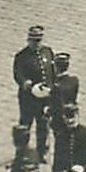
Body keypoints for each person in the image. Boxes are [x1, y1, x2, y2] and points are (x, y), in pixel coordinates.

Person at [12, 25, 56, 163]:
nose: (37, 43)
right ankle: (21, 151)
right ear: (28, 40)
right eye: (34, 40)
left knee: (43, 125)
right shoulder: (22, 56)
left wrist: (51, 89)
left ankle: (41, 151)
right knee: (25, 125)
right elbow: (17, 74)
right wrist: (26, 83)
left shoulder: (47, 52)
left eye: (39, 40)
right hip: (28, 98)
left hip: (44, 98)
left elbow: (51, 72)